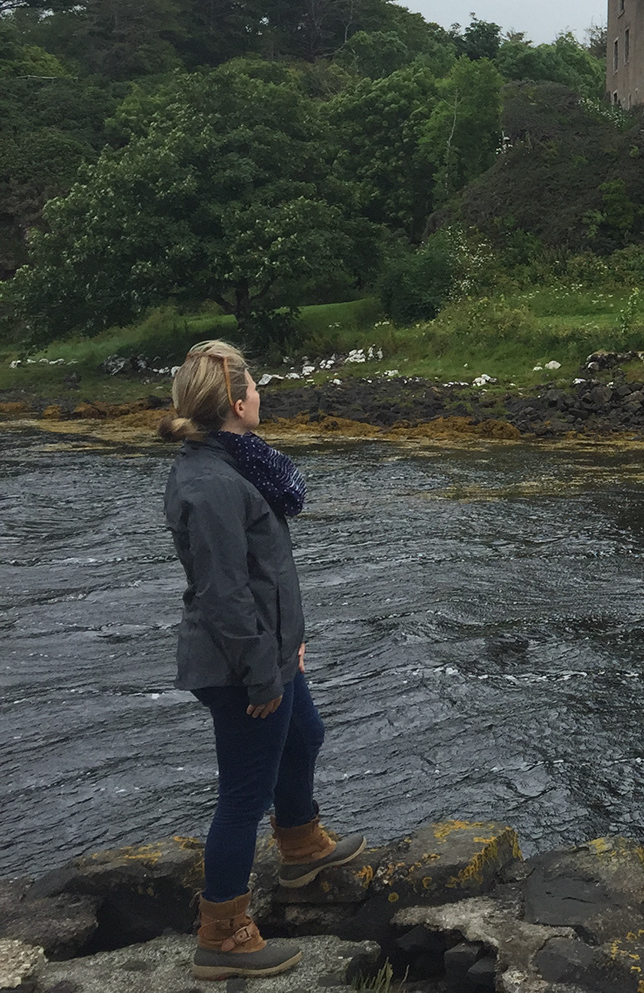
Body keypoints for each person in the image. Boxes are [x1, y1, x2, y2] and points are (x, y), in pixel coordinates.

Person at [158, 339, 365, 981]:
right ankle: (222, 934)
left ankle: (301, 843)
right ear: (237, 401)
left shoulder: (232, 463)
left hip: (266, 650)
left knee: (305, 734)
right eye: (256, 387)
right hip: (238, 664)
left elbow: (261, 575)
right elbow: (224, 592)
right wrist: (261, 672)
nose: (262, 396)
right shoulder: (214, 482)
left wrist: (285, 642)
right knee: (243, 799)